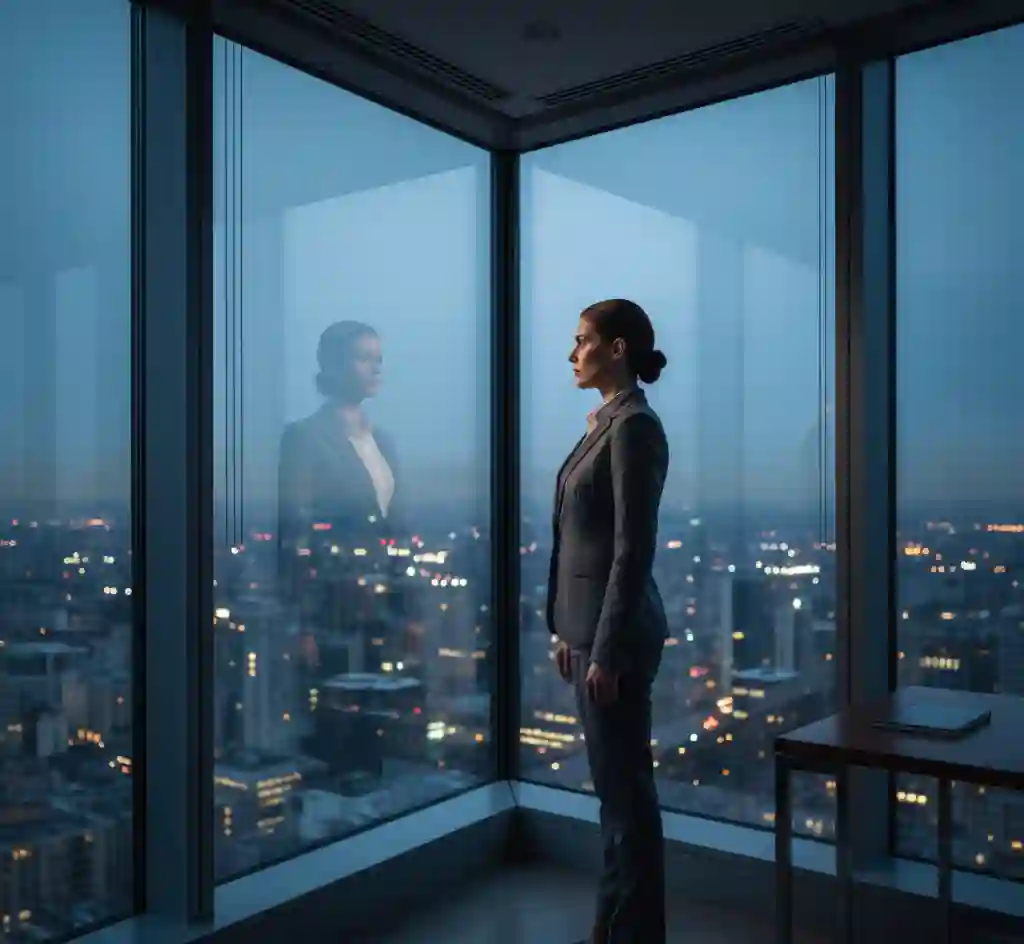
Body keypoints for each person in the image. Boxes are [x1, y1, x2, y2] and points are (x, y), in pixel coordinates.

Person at [548, 298, 670, 944]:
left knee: (626, 803)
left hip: (614, 643)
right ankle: (616, 930)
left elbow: (630, 548)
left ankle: (627, 936)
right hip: (591, 636)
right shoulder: (604, 425)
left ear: (617, 349)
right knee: (616, 800)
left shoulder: (633, 429)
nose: (572, 354)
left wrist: (604, 647)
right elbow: (576, 542)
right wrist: (565, 629)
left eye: (582, 340)